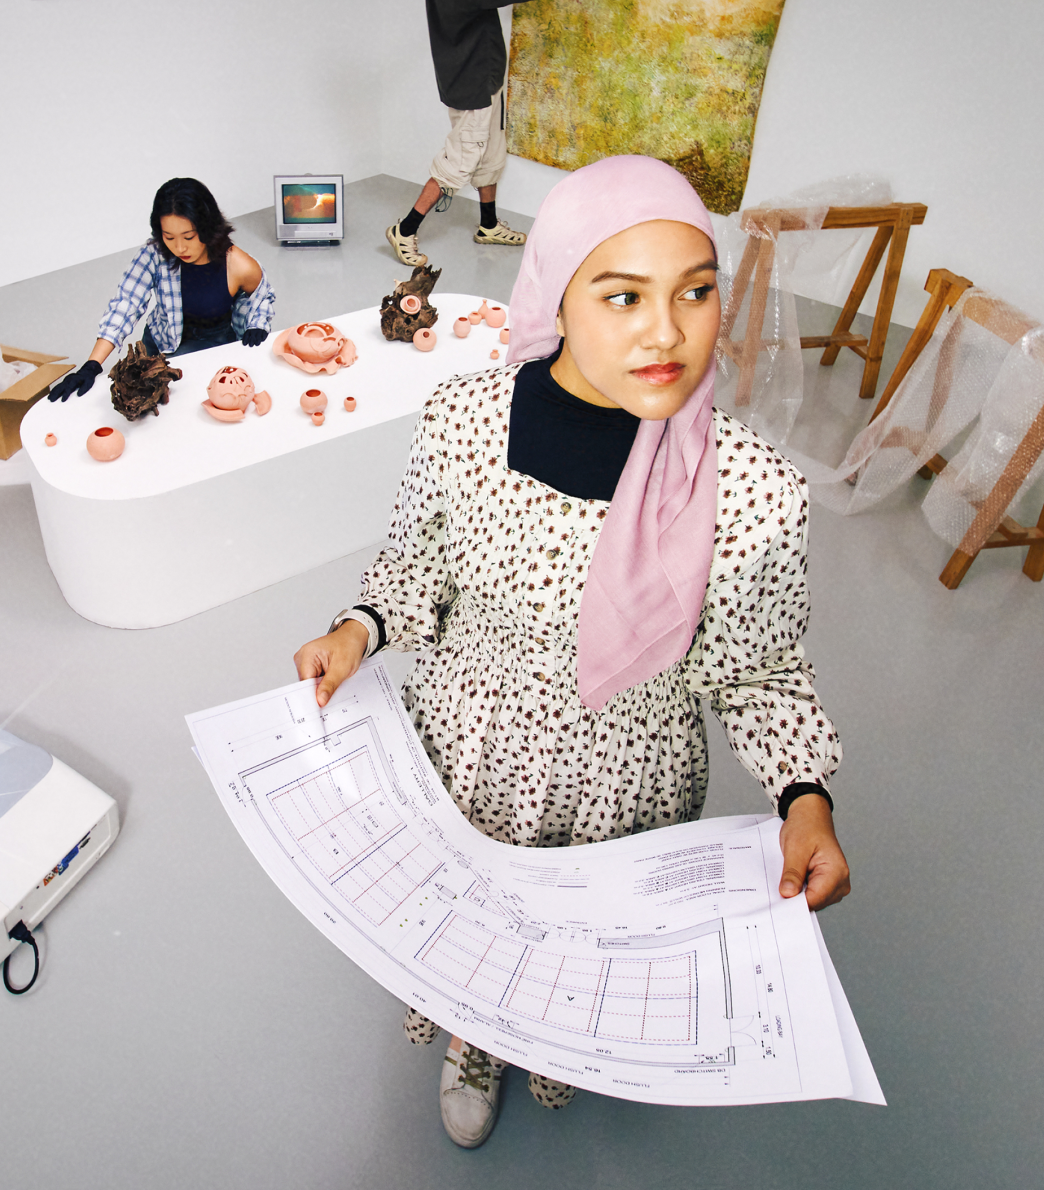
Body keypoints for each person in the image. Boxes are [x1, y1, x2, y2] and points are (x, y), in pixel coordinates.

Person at [296, 154, 849, 1148]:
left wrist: (804, 800)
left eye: (695, 291)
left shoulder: (754, 490)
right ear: (557, 290)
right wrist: (358, 628)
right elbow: (411, 565)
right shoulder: (466, 421)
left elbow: (761, 671)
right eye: (623, 293)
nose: (667, 330)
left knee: (572, 956)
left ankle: (552, 1044)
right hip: (468, 759)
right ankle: (474, 1039)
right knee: (476, 933)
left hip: (622, 788)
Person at [389, 0, 639, 267]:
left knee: (491, 153)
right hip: (472, 87)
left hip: (484, 77)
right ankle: (405, 230)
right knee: (456, 165)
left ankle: (488, 225)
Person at [46, 178, 273, 403]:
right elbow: (127, 303)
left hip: (209, 350)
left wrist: (257, 324)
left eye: (189, 236)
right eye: (169, 237)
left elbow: (262, 297)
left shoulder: (238, 264)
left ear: (207, 227)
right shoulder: (155, 254)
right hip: (158, 343)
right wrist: (92, 365)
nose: (180, 247)